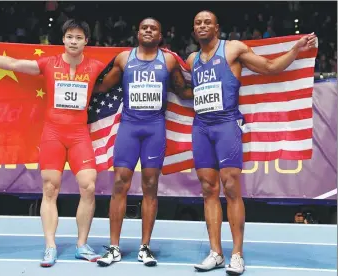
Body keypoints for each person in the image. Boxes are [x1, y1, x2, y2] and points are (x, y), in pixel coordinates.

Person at [0, 20, 106, 267]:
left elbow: (128, 68)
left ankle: (82, 244)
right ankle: (50, 246)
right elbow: (13, 64)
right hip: (53, 134)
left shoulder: (96, 66)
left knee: (89, 187)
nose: (73, 41)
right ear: (63, 39)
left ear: (86, 42)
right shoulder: (49, 64)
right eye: (69, 36)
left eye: (79, 37)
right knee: (50, 188)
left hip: (79, 135)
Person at [184, 11, 317, 275]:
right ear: (193, 29)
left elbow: (269, 68)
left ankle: (236, 254)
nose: (202, 26)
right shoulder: (191, 59)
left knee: (231, 188)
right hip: (201, 127)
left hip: (226, 125)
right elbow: (191, 91)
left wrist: (295, 49)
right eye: (198, 22)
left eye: (207, 22)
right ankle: (215, 253)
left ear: (217, 27)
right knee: (208, 190)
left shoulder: (232, 49)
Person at [93, 17, 191, 267]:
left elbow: (181, 91)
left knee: (150, 185)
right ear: (138, 33)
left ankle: (145, 247)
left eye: (153, 28)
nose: (148, 31)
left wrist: (216, 90)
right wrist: (75, 79)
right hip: (129, 128)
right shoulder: (124, 58)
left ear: (160, 35)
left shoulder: (168, 60)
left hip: (154, 129)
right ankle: (114, 247)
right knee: (119, 184)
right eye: (144, 28)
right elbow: (102, 86)